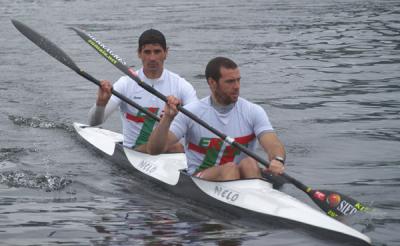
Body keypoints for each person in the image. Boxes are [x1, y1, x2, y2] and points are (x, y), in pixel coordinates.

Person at [146, 57, 286, 181]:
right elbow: (154, 149)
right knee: (229, 168)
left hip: (242, 177)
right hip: (201, 178)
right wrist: (167, 119)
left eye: (238, 80)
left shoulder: (253, 111)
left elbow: (272, 142)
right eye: (230, 82)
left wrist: (277, 160)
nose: (237, 87)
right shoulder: (191, 113)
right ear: (212, 83)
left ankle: (257, 199)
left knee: (250, 162)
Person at [88, 29, 198, 153]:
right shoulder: (125, 84)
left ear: (166, 53)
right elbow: (94, 123)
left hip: (170, 152)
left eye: (157, 52)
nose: (152, 58)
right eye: (147, 52)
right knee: (176, 147)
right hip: (134, 152)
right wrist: (100, 104)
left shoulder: (181, 86)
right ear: (139, 54)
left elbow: (196, 127)